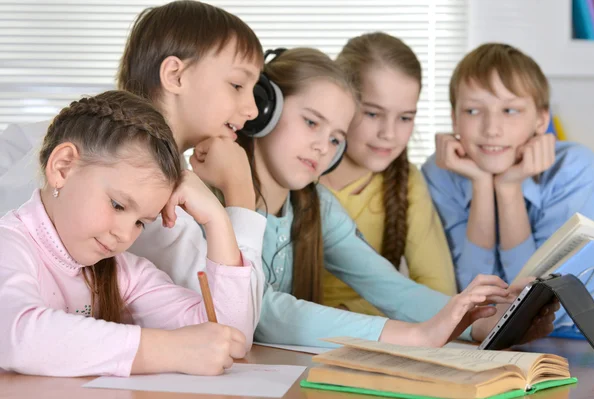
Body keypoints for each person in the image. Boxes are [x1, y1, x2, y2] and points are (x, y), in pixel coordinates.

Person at [228, 47, 558, 348]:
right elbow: (261, 310)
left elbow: (389, 286)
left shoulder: (316, 204)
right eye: (312, 122)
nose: (322, 147)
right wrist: (414, 335)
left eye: (335, 138)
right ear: (262, 109)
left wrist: (480, 320)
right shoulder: (214, 197)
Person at [0, 1, 267, 329]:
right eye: (238, 85)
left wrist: (218, 215)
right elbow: (244, 321)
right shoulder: (162, 210)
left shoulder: (125, 263)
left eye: (141, 221)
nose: (253, 110)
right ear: (175, 75)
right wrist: (241, 194)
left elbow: (228, 327)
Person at [0, 91, 253, 377]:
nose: (124, 235)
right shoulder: (9, 246)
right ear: (63, 167)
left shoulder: (123, 272)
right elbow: (18, 337)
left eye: (140, 222)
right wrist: (167, 350)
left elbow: (229, 338)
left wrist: (217, 221)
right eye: (118, 205)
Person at [422, 43, 594, 291]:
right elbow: (471, 297)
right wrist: (481, 184)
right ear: (454, 119)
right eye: (473, 111)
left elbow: (544, 301)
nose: (492, 129)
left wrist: (509, 187)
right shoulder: (440, 172)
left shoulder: (574, 169)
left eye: (510, 110)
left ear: (541, 120)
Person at [319, 32, 457, 318]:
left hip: (365, 338)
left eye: (405, 117)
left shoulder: (407, 182)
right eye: (372, 113)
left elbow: (439, 291)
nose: (389, 134)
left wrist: (347, 312)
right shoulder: (295, 174)